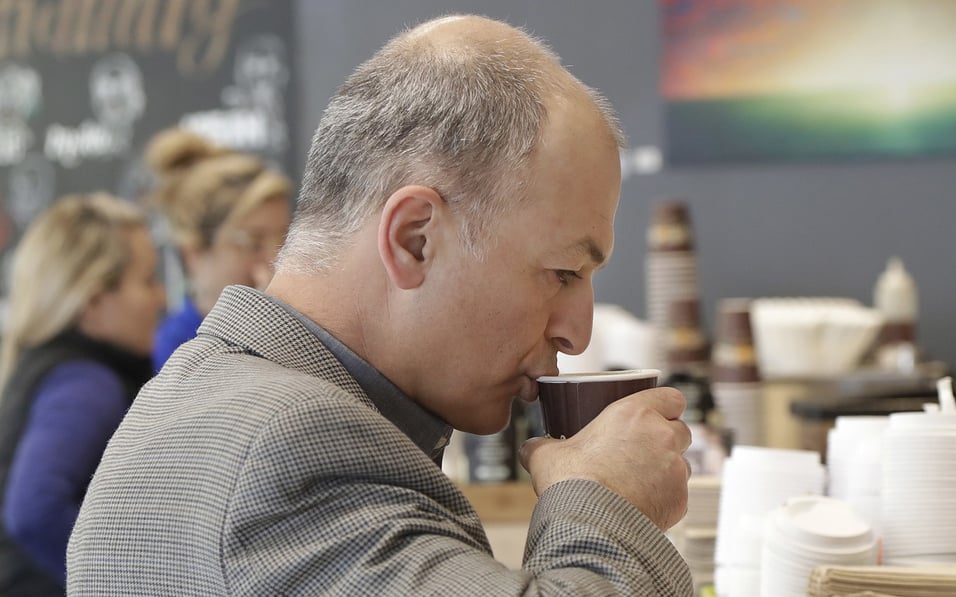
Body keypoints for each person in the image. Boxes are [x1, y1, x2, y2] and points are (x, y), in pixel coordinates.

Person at [68, 15, 694, 595]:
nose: (577, 333)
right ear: (413, 239)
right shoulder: (292, 448)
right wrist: (606, 498)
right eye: (562, 272)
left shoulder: (210, 395)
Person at [0, 193, 165, 595]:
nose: (162, 298)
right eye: (147, 280)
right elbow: (34, 510)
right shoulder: (86, 385)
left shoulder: (48, 367)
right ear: (92, 302)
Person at [145, 128, 291, 370]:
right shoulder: (177, 350)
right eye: (252, 243)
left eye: (284, 239)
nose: (276, 259)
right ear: (194, 253)